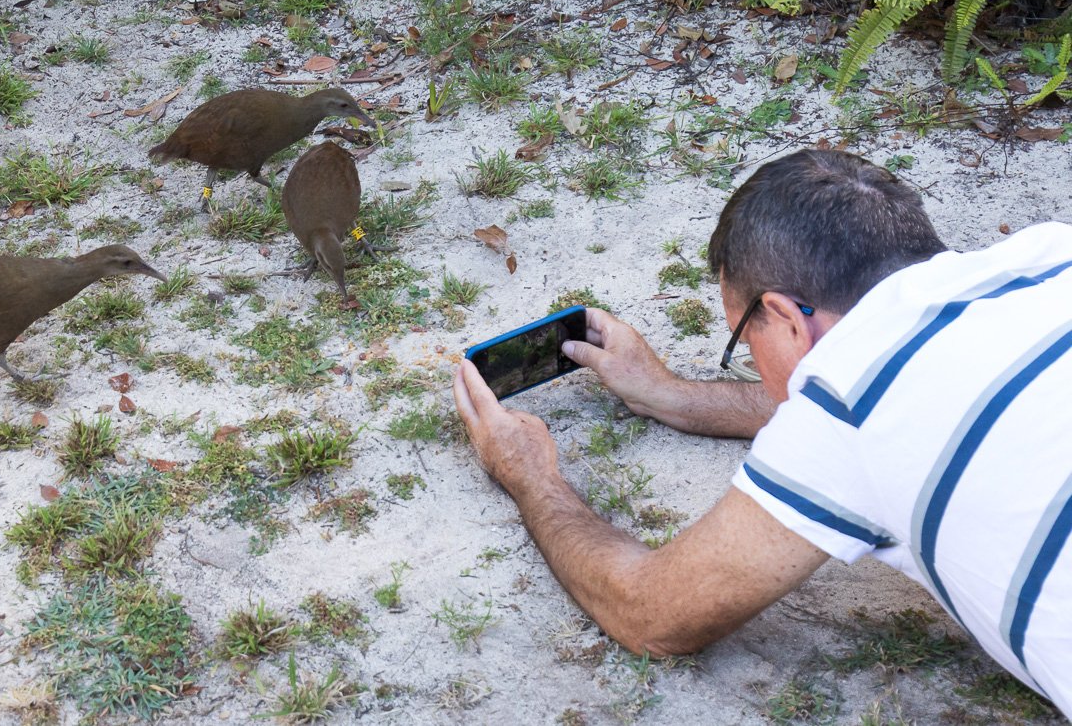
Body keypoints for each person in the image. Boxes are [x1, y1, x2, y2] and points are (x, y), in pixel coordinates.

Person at [453, 149, 1071, 711]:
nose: (752, 356)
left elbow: (649, 611)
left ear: (782, 316)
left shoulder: (845, 411)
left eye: (744, 338)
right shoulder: (1049, 255)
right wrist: (676, 398)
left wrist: (529, 473)